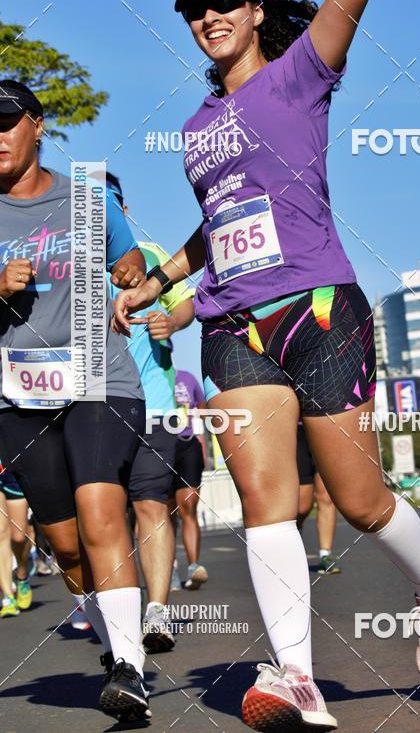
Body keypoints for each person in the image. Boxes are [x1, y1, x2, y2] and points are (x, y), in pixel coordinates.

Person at [114, 0, 420, 732]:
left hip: (319, 310)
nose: (208, 18)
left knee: (357, 499)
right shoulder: (196, 131)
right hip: (234, 326)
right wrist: (161, 282)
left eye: (222, 4)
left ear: (256, 12)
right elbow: (214, 225)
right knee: (267, 500)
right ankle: (296, 676)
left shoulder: (303, 73)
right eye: (194, 11)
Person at [0, 81, 151, 721]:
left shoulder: (85, 201)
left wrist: (132, 271)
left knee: (99, 506)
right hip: (18, 396)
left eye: (6, 122)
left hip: (99, 378)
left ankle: (128, 667)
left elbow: (133, 256)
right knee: (64, 545)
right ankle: (113, 630)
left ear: (36, 125)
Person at [105, 172, 196, 653]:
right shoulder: (71, 267)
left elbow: (188, 305)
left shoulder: (154, 256)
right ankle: (113, 610)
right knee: (102, 516)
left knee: (150, 503)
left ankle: (156, 612)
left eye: (112, 204)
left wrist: (168, 321)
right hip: (94, 410)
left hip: (156, 405)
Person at [169, 367, 208, 590]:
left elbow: (202, 407)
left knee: (189, 507)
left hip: (188, 444)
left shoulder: (187, 378)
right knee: (166, 514)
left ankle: (194, 567)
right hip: (160, 445)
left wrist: (198, 423)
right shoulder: (147, 376)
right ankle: (171, 569)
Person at [296, 423, 342, 575]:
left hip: (323, 422)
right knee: (302, 506)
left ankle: (325, 555)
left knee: (327, 495)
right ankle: (294, 537)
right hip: (295, 429)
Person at [0, 464, 32, 616]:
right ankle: (8, 597)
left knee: (18, 537)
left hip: (10, 467)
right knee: (0, 533)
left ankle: (21, 574)